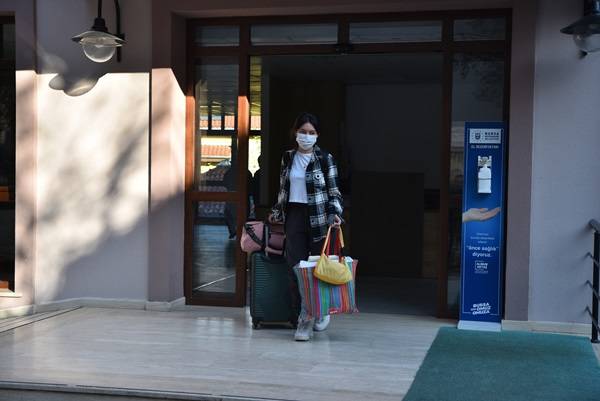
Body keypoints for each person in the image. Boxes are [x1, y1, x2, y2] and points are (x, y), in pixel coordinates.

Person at [269, 112, 343, 341]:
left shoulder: (325, 159)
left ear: (317, 135)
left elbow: (334, 191)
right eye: (303, 132)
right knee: (297, 268)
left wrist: (335, 213)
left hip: (319, 218)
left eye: (311, 132)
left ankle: (320, 311)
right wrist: (276, 212)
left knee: (317, 267)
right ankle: (304, 316)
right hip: (294, 215)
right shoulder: (288, 157)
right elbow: (283, 189)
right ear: (295, 132)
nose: (306, 136)